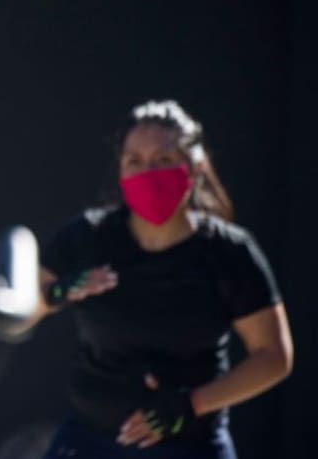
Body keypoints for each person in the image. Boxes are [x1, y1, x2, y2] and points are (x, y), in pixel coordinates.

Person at [26, 100, 292, 458]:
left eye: (163, 161)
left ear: (194, 169)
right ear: (120, 170)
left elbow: (274, 357)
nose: (147, 172)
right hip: (89, 440)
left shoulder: (229, 253)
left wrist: (189, 405)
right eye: (134, 161)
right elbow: (20, 314)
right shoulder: (86, 237)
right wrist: (57, 292)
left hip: (190, 444)